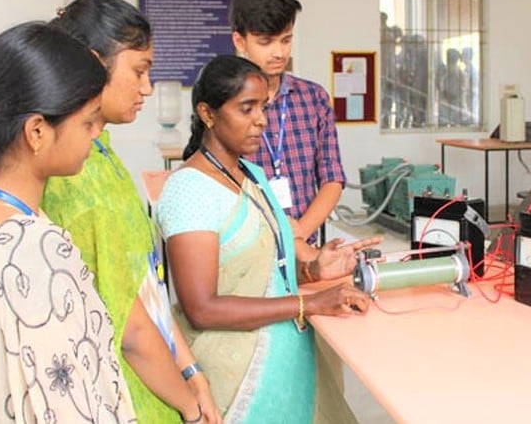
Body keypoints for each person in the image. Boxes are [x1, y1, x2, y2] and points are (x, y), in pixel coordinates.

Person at [155, 55, 381, 423]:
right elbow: (201, 308)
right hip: (238, 372)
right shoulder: (188, 190)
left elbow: (264, 268)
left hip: (288, 355)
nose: (261, 119)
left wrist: (312, 269)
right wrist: (309, 304)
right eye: (247, 108)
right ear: (208, 114)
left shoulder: (251, 175)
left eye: (263, 107)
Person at [40, 0, 219, 424]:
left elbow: (145, 284)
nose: (147, 88)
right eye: (139, 70)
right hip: (125, 397)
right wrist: (191, 404)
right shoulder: (77, 177)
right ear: (92, 63)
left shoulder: (101, 152)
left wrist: (192, 371)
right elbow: (131, 330)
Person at [0, 22, 137, 421]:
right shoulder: (28, 248)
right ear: (37, 131)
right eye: (88, 121)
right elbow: (67, 406)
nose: (96, 133)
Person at [230, 0, 345, 246]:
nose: (279, 52)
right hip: (246, 248)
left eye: (286, 40)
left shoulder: (313, 99)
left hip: (304, 244)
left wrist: (299, 232)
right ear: (240, 40)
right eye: (265, 42)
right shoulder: (224, 103)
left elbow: (333, 177)